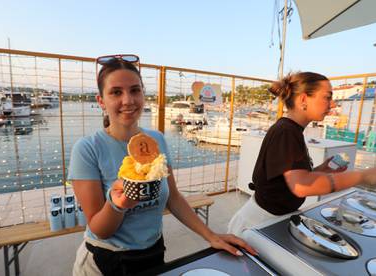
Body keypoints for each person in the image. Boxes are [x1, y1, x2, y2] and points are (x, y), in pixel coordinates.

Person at [68, 55, 256, 276]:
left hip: (153, 254)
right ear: (101, 101)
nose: (128, 100)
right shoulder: (88, 149)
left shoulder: (156, 141)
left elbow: (173, 198)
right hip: (104, 261)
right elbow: (100, 230)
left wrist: (211, 236)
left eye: (135, 90)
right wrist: (118, 204)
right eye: (116, 92)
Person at [228, 71, 376, 237]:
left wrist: (323, 169)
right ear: (304, 100)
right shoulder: (286, 132)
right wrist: (363, 177)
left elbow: (292, 179)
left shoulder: (292, 130)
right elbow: (301, 186)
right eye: (327, 97)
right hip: (258, 226)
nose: (333, 104)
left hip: (273, 220)